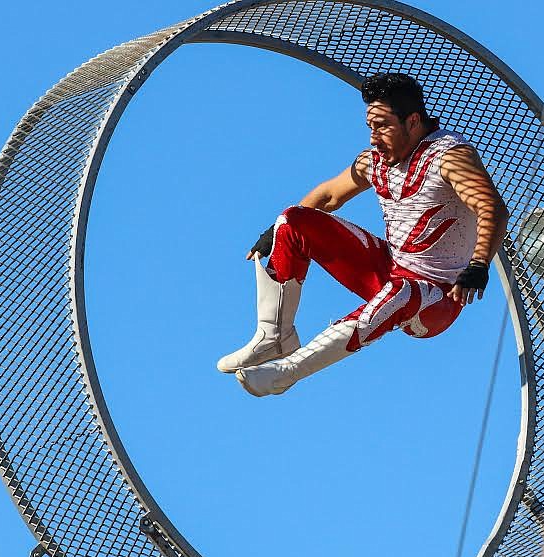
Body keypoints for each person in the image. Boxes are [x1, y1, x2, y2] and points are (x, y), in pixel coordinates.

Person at [217, 73, 509, 397]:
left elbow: (492, 207)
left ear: (413, 122)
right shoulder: (374, 162)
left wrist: (479, 265)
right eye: (370, 127)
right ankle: (275, 336)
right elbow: (328, 196)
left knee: (401, 291)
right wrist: (273, 233)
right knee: (292, 220)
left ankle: (288, 372)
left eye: (383, 126)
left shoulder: (449, 157)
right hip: (390, 266)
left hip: (437, 297)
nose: (374, 138)